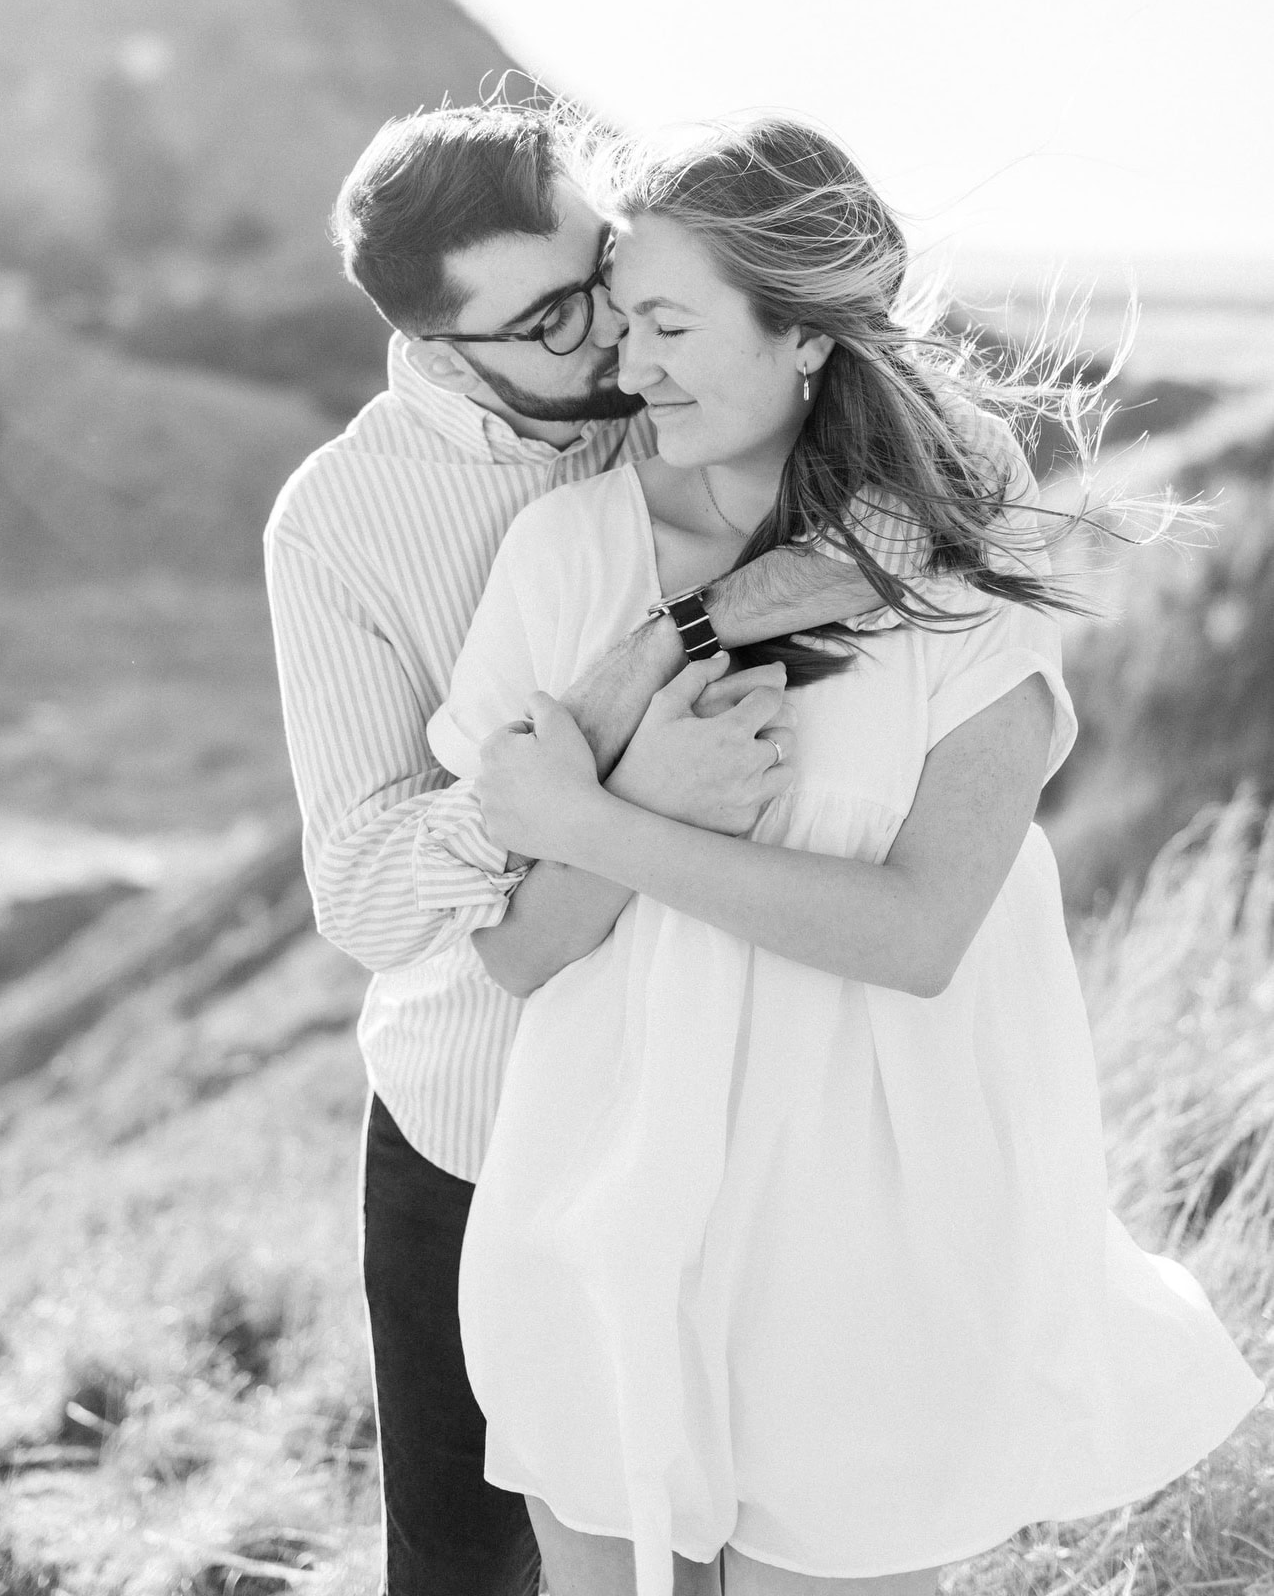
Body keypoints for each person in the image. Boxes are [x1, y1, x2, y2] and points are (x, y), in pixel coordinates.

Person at [425, 115, 1265, 1596]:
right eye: (623, 327)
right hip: (602, 1222)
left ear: (806, 335)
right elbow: (514, 948)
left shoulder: (959, 580)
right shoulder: (563, 559)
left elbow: (917, 932)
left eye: (673, 325)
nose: (632, 368)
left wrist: (609, 819)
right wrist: (640, 710)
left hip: (867, 1261)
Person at [266, 104, 973, 1596]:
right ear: (446, 349)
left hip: (741, 1107)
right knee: (477, 1574)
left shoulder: (695, 378)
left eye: (611, 277)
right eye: (551, 320)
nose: (612, 344)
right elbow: (365, 891)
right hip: (479, 1114)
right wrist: (595, 763)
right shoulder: (342, 520)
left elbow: (924, 499)